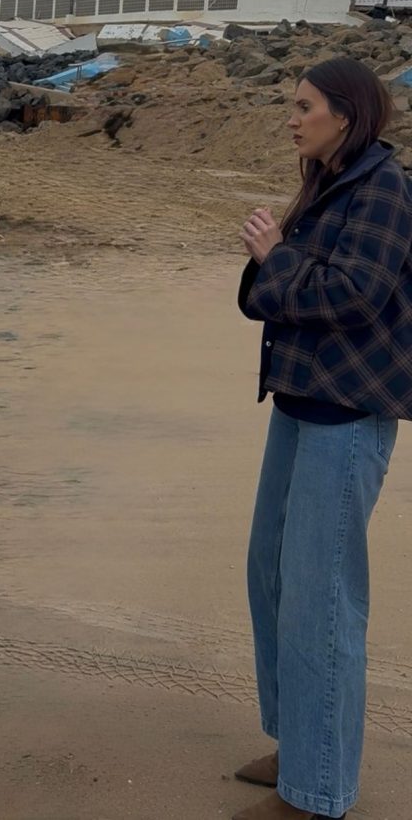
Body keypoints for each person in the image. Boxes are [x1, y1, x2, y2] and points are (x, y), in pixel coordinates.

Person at [234, 56, 412, 820]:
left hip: (347, 415)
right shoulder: (328, 182)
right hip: (302, 401)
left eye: (303, 104)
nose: (292, 116)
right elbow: (296, 287)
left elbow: (352, 293)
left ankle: (317, 789)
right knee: (271, 576)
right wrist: (277, 258)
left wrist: (276, 256)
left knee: (322, 601)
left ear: (344, 114)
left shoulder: (383, 190)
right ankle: (298, 743)